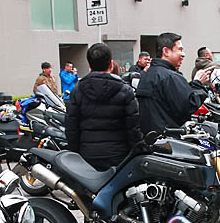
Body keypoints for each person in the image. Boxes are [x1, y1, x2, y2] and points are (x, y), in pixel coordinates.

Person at [65, 43, 142, 171]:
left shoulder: (77, 90)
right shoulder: (125, 90)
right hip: (119, 155)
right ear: (111, 65)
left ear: (89, 66)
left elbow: (71, 128)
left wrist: (75, 153)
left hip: (87, 155)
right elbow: (133, 127)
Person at [136, 32, 208, 135]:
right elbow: (187, 106)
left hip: (151, 139)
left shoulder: (148, 74)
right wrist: (198, 84)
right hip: (170, 141)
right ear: (166, 51)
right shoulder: (169, 77)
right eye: (180, 49)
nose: (183, 54)